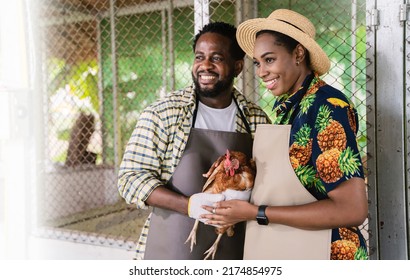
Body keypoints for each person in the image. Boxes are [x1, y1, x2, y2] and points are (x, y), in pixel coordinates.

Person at [202, 9, 368, 260]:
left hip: (327, 253)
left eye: (269, 60)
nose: (260, 72)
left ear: (298, 54)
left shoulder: (327, 106)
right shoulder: (288, 108)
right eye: (257, 62)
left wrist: (256, 212)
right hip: (293, 247)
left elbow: (352, 210)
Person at [117, 21, 271, 260]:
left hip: (233, 245)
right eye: (199, 57)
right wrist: (188, 205)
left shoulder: (255, 119)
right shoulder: (164, 113)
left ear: (237, 66)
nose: (205, 66)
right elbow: (130, 179)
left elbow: (268, 184)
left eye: (216, 58)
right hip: (172, 246)